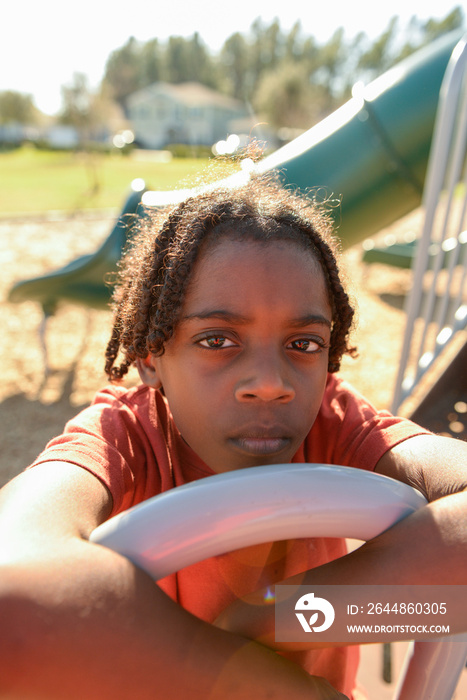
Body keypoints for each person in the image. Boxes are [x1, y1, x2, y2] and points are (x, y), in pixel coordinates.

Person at [0, 174, 466, 700]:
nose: (270, 383)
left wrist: (273, 619)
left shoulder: (334, 422)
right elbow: (11, 593)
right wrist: (263, 681)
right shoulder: (122, 438)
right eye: (218, 339)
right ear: (150, 356)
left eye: (303, 343)